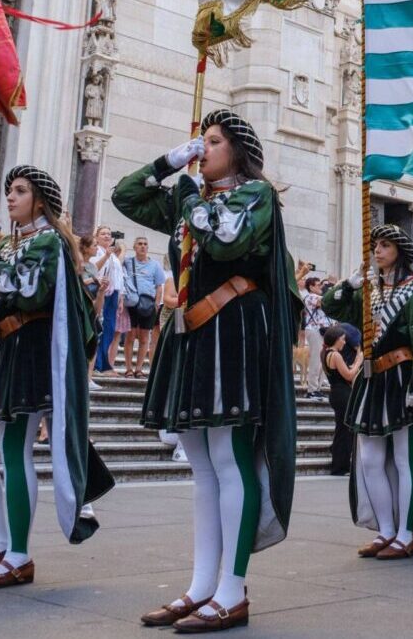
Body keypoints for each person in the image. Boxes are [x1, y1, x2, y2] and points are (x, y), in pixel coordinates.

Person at [114, 110, 298, 632]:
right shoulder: (187, 196)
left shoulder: (255, 198)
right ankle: (200, 586)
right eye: (200, 141)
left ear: (237, 151)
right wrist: (170, 162)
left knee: (228, 456)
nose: (203, 148)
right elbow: (126, 197)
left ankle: (232, 589)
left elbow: (224, 240)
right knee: (200, 462)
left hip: (233, 329)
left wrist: (192, 195)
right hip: (193, 332)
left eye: (212, 142)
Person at [0, 166, 112, 589]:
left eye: (20, 191)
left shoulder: (50, 241)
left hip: (30, 351)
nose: (10, 197)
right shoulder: (13, 242)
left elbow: (27, 290)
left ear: (39, 201)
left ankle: (18, 554)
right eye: (9, 191)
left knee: (15, 449)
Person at [322, 224, 413, 559]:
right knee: (369, 460)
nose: (378, 251)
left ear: (400, 251)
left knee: (403, 460)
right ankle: (385, 530)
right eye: (375, 246)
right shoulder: (370, 290)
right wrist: (348, 285)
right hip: (372, 382)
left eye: (385, 245)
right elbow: (331, 308)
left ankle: (405, 533)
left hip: (401, 378)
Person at [123, 236, 168, 378]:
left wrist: (156, 304)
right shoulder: (128, 262)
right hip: (132, 303)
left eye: (145, 244)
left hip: (148, 305)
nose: (143, 246)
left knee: (144, 338)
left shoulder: (155, 265)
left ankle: (139, 369)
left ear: (148, 248)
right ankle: (129, 368)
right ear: (134, 247)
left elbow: (159, 286)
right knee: (130, 337)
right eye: (140, 244)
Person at [323, 325, 359, 476]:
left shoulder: (326, 353)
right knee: (345, 430)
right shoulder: (336, 355)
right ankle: (340, 466)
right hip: (342, 393)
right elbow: (349, 375)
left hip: (336, 393)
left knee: (341, 430)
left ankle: (340, 464)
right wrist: (359, 360)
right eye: (343, 340)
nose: (345, 342)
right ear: (337, 339)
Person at [89, 226, 123, 375]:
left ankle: (104, 363)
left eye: (109, 234)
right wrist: (106, 256)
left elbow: (119, 277)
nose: (107, 236)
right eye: (103, 234)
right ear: (96, 237)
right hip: (101, 292)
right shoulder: (96, 252)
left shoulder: (114, 256)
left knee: (109, 328)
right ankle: (98, 364)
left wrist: (121, 297)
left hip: (113, 293)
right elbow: (94, 270)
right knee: (101, 328)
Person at [297, 263, 332, 398]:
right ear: (311, 287)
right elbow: (325, 303)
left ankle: (318, 387)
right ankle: (311, 389)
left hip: (324, 330)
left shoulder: (319, 296)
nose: (321, 287)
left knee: (323, 359)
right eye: (318, 285)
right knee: (316, 360)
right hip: (314, 330)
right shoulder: (310, 297)